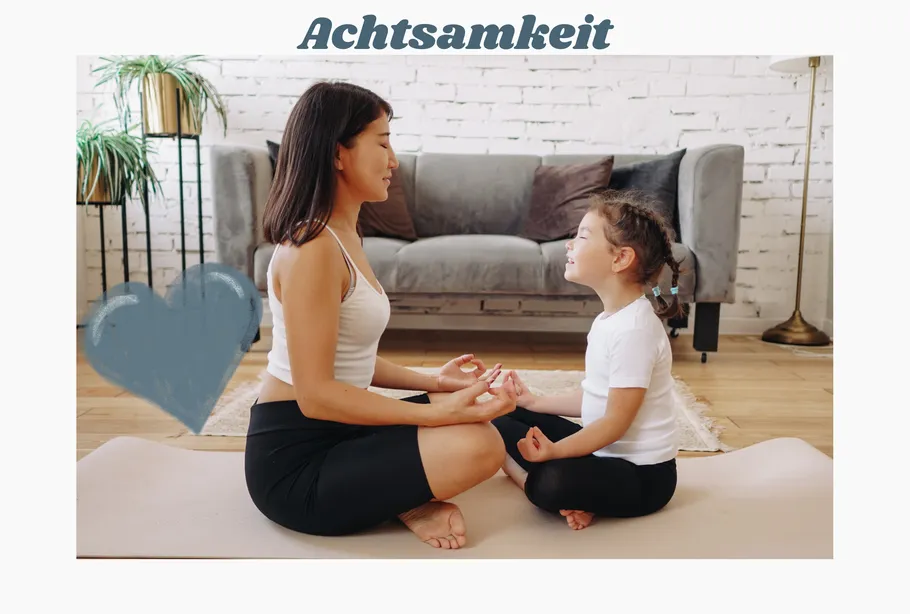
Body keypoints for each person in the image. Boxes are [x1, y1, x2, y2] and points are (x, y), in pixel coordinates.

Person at [244, 81, 519, 550]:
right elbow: (316, 397)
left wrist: (436, 383)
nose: (394, 160)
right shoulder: (314, 250)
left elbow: (347, 359)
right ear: (337, 153)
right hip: (296, 464)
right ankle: (405, 499)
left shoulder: (343, 235)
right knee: (480, 444)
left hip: (343, 431)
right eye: (384, 142)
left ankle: (398, 492)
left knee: (478, 415)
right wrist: (435, 417)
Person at [491, 189, 683, 530]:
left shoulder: (634, 330)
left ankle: (532, 481)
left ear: (620, 259)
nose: (569, 245)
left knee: (551, 482)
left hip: (643, 477)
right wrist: (534, 401)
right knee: (504, 413)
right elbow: (598, 397)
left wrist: (555, 452)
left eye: (581, 236)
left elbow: (614, 423)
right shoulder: (609, 320)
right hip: (603, 454)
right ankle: (575, 491)